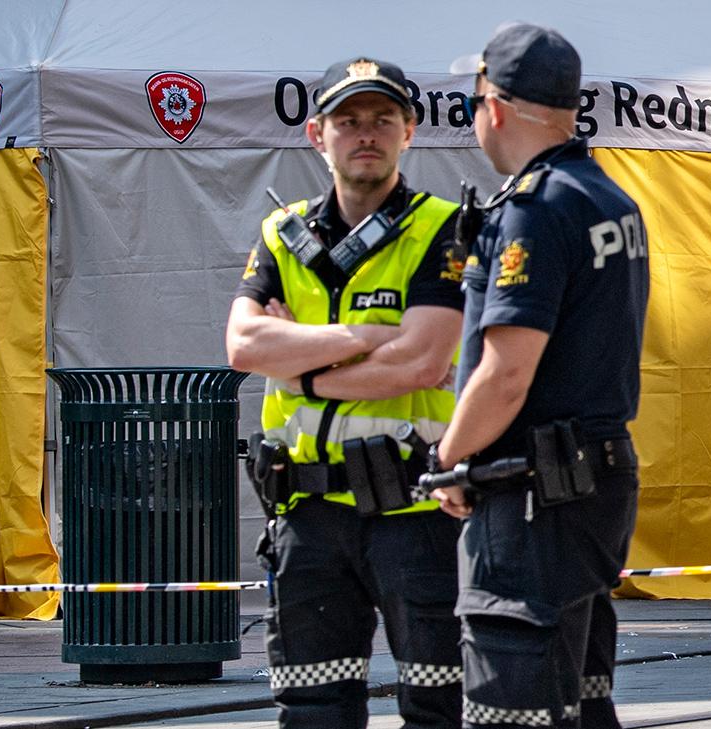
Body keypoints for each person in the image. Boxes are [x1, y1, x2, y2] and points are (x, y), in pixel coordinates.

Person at [226, 57, 468, 729]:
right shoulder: (282, 234)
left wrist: (299, 362)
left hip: (415, 513)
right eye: (348, 121)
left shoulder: (442, 227)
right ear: (317, 135)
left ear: (409, 132)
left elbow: (422, 360)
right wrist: (366, 332)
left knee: (438, 702)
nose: (366, 134)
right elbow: (244, 346)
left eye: (382, 120)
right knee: (311, 707)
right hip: (308, 513)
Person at [430, 23, 650, 729]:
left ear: (493, 104)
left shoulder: (534, 209)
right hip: (592, 485)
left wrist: (450, 456)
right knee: (580, 701)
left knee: (511, 707)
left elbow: (506, 372)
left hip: (532, 497)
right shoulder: (609, 199)